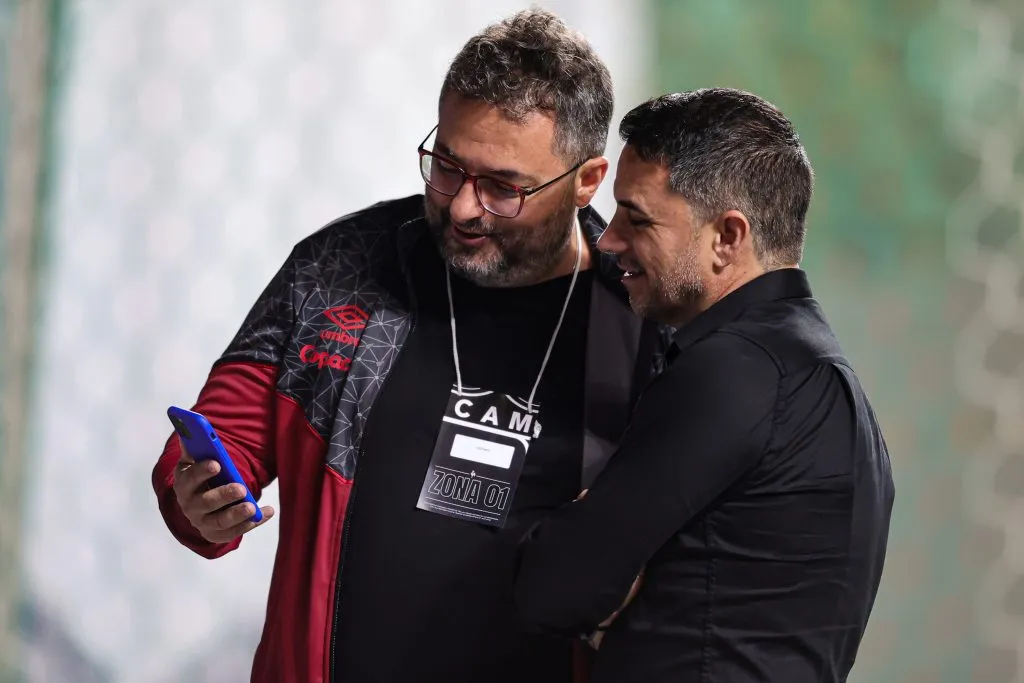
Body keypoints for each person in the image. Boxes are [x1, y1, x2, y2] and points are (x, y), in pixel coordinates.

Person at [151, 9, 671, 683]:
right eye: (448, 166)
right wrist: (199, 497)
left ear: (587, 179)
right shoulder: (341, 268)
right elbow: (221, 442)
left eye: (503, 188)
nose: (461, 207)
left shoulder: (639, 322)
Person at [513, 88, 896, 683]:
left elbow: (555, 590)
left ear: (728, 236)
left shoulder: (734, 371)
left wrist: (575, 540)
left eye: (636, 218)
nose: (609, 240)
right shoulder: (811, 371)